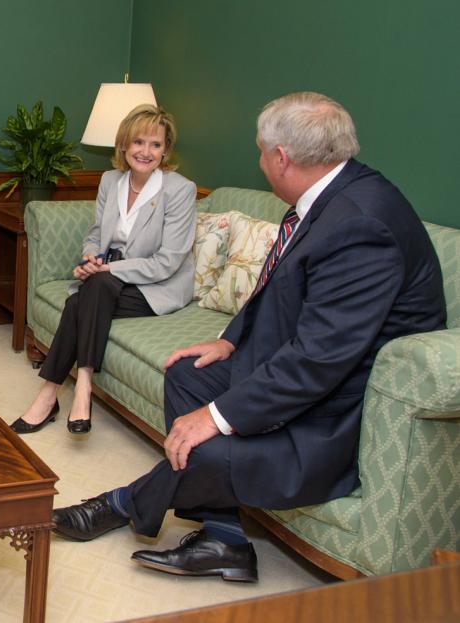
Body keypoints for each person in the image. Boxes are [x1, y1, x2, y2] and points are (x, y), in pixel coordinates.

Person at [51, 92, 445, 582]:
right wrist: (230, 340)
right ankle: (226, 539)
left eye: (260, 152)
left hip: (334, 409)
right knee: (188, 373)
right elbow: (277, 285)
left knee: (204, 443)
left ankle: (120, 504)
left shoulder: (361, 225)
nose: (259, 162)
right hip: (297, 365)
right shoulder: (328, 196)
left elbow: (319, 360)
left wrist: (217, 417)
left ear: (281, 157)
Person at [10, 105, 196, 436]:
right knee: (95, 290)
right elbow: (96, 234)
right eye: (138, 142)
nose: (146, 152)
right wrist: (90, 258)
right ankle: (78, 387)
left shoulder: (179, 190)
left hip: (156, 286)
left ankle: (58, 391)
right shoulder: (111, 181)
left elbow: (168, 261)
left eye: (155, 144)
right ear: (124, 144)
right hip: (109, 280)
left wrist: (107, 268)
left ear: (166, 150)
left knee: (82, 299)